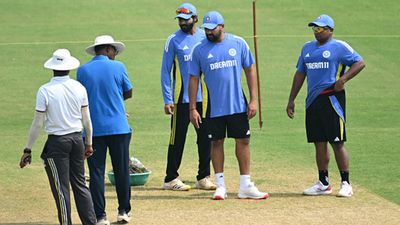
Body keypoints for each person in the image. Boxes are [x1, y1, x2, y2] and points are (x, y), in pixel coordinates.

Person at [189, 11, 269, 200]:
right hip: (213, 106)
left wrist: (254, 99)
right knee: (216, 142)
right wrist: (192, 108)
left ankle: (245, 186)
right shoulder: (199, 50)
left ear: (222, 26)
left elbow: (250, 69)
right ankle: (221, 186)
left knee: (243, 141)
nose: (208, 32)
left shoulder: (238, 43)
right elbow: (193, 79)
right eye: (206, 29)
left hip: (238, 104)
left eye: (212, 29)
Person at [286, 14, 365, 197]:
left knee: (337, 142)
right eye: (314, 28)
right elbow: (300, 74)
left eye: (320, 29)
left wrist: (343, 79)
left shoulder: (339, 47)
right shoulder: (307, 48)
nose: (316, 32)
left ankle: (346, 183)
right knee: (319, 142)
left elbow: (359, 63)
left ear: (330, 30)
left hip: (332, 98)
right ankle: (323, 182)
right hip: (312, 101)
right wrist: (291, 99)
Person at [19, 49, 96, 225]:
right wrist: (89, 143)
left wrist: (27, 149)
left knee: (61, 189)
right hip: (77, 140)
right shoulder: (79, 87)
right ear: (69, 67)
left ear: (52, 68)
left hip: (57, 143)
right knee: (80, 185)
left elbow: (37, 123)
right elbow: (87, 120)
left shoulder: (45, 90)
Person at [77, 35, 133, 225]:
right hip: (119, 128)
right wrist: (116, 103)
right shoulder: (119, 67)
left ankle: (100, 216)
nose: (115, 54)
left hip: (94, 130)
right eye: (114, 51)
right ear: (108, 49)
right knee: (122, 171)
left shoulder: (83, 70)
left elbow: (82, 100)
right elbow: (128, 91)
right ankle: (123, 211)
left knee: (96, 173)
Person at [161, 2, 215, 191]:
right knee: (178, 138)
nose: (182, 23)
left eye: (186, 19)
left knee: (206, 138)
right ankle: (170, 178)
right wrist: (167, 99)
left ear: (195, 19)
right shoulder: (173, 40)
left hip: (205, 98)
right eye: (180, 20)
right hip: (180, 100)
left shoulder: (205, 37)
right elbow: (165, 71)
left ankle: (203, 177)